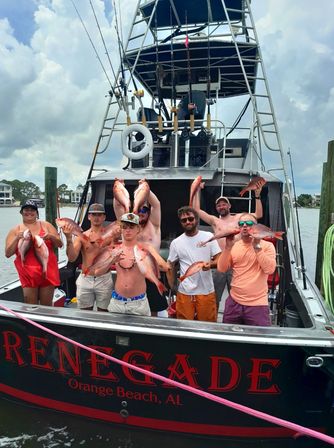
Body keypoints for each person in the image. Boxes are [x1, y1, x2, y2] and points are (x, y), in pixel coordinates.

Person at [192, 184, 263, 308]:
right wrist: (197, 189)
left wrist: (257, 196)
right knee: (213, 298)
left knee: (239, 298)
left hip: (237, 262)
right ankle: (212, 322)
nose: (221, 206)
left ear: (229, 206)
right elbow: (196, 211)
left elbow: (258, 214)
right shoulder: (215, 221)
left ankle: (237, 322)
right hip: (218, 263)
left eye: (224, 204)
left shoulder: (240, 218)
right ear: (216, 208)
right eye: (219, 205)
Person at [114, 182, 168, 316]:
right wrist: (119, 186)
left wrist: (145, 189)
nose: (141, 212)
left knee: (153, 315)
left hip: (151, 275)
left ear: (149, 212)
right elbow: (117, 205)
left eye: (144, 210)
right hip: (131, 278)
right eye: (139, 210)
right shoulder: (127, 227)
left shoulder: (154, 226)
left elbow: (156, 204)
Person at [217, 213, 276, 326]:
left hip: (257, 305)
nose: (244, 225)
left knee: (260, 338)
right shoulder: (235, 245)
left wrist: (257, 247)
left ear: (257, 227)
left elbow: (270, 269)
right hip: (234, 302)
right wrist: (228, 247)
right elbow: (222, 268)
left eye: (249, 223)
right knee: (228, 337)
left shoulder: (268, 246)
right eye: (241, 223)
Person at [167, 206, 221, 322]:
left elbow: (219, 259)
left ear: (196, 219)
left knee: (208, 326)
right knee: (184, 327)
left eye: (190, 219)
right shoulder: (176, 243)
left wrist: (210, 265)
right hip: (185, 292)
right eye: (184, 220)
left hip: (206, 291)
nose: (187, 222)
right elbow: (170, 265)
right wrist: (172, 287)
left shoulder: (208, 237)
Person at [5, 199, 62, 305]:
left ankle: (44, 322)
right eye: (26, 210)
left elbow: (60, 244)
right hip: (27, 273)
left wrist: (51, 236)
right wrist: (17, 238)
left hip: (47, 271)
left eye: (32, 210)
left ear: (37, 213)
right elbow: (8, 254)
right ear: (21, 212)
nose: (29, 212)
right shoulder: (15, 230)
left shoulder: (46, 226)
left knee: (47, 306)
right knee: (30, 305)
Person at [63, 203, 114, 311]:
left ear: (104, 217)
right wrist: (68, 238)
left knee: (104, 313)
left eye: (99, 215)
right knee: (84, 313)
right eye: (93, 214)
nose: (96, 217)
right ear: (89, 216)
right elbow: (72, 258)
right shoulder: (81, 236)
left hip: (104, 279)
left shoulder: (110, 236)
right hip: (85, 278)